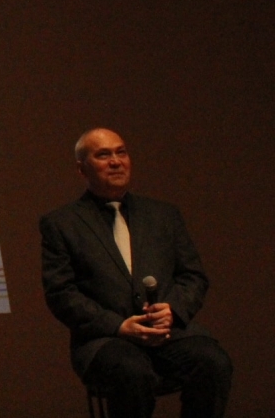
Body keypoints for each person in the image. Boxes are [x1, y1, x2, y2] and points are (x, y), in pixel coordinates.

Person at [40, 128, 231, 418]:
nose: (115, 161)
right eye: (103, 155)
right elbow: (61, 294)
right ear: (82, 169)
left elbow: (193, 276)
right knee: (132, 372)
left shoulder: (163, 215)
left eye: (121, 152)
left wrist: (173, 310)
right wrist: (119, 325)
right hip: (106, 340)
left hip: (169, 334)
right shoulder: (62, 223)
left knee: (214, 362)